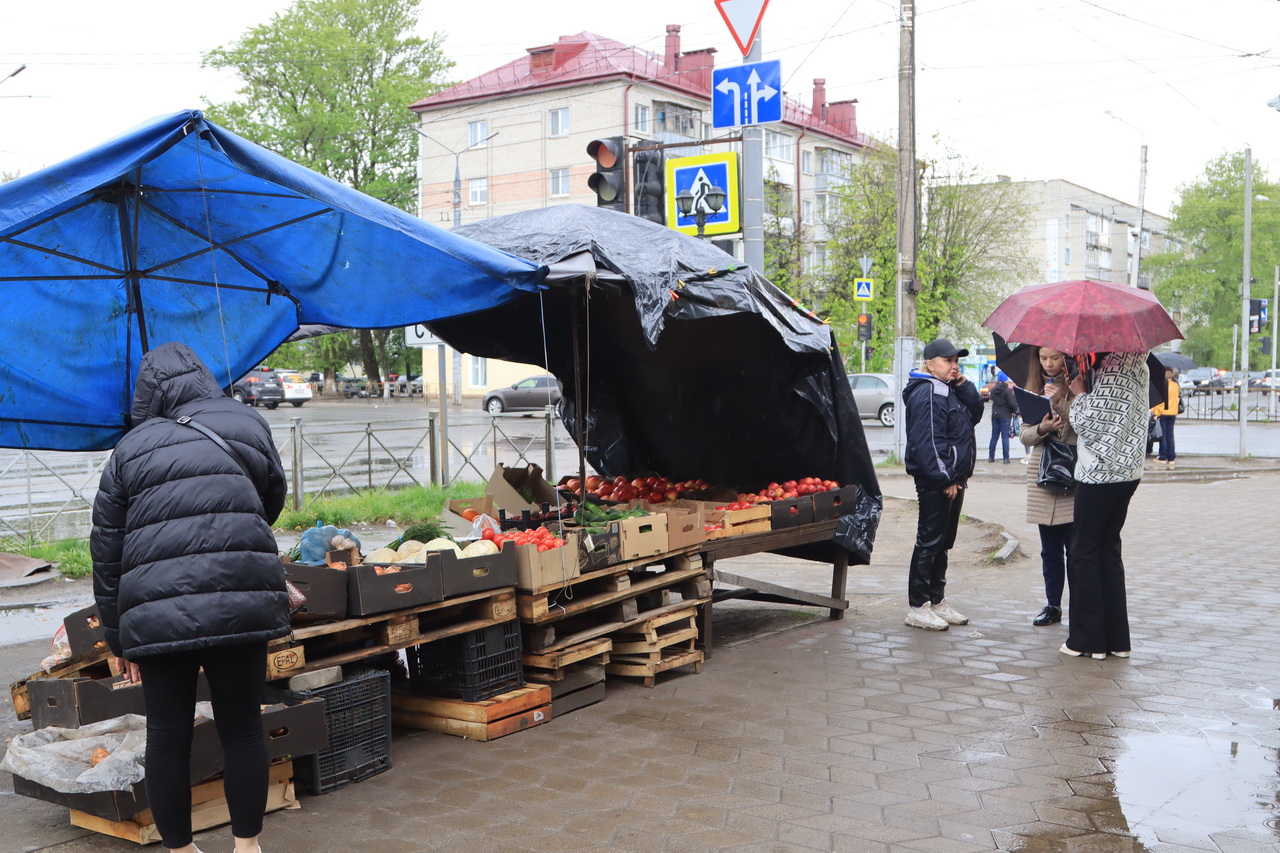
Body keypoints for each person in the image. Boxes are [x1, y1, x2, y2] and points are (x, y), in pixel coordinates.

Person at [91, 342, 290, 853]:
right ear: (202, 377)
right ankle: (247, 846)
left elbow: (107, 551)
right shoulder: (246, 423)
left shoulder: (130, 450)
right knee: (243, 726)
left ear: (146, 394)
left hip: (157, 612)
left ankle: (180, 849)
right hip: (240, 594)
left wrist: (118, 638)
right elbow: (268, 500)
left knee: (167, 737)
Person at [1061, 351, 1148, 660]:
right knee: (1108, 550)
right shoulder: (1138, 361)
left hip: (1100, 473)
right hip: (1128, 471)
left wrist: (1080, 393)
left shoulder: (1113, 365)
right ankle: (1116, 639)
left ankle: (1088, 640)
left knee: (1083, 552)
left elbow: (1090, 422)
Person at [902, 338, 985, 630]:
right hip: (937, 481)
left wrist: (963, 383)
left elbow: (974, 414)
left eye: (956, 361)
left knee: (943, 543)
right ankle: (918, 606)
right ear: (929, 363)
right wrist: (946, 478)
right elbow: (929, 443)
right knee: (929, 541)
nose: (953, 366)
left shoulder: (948, 389)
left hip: (955, 480)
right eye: (948, 361)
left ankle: (937, 601)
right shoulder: (926, 393)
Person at [1018, 347, 1077, 627]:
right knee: (1049, 550)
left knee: (1075, 550)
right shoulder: (1032, 389)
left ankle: (1079, 604)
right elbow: (1024, 436)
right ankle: (1053, 605)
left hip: (1071, 477)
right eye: (1043, 358)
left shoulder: (1078, 386)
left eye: (1054, 357)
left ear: (1065, 357)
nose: (1049, 363)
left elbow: (1082, 429)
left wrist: (1062, 404)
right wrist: (1042, 428)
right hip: (1042, 478)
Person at [1150, 366, 1180, 469]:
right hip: (1173, 413)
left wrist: (1155, 414)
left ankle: (1163, 457)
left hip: (1163, 413)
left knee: (1163, 435)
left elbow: (1160, 402)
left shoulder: (1162, 385)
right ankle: (1171, 457)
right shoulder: (1176, 385)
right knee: (1170, 435)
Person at [987, 371, 1017, 464]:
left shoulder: (993, 389)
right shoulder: (1007, 390)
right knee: (1005, 437)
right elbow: (1012, 403)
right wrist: (1016, 410)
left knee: (994, 436)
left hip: (995, 415)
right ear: (1006, 379)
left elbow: (991, 398)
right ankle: (1006, 458)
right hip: (1005, 416)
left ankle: (991, 457)